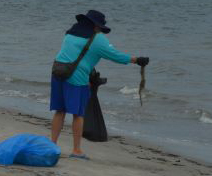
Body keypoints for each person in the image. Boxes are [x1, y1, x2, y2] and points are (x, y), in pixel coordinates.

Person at [49, 9, 148, 159]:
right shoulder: (97, 39)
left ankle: (52, 145)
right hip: (76, 78)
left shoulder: (70, 33)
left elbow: (76, 55)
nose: (100, 30)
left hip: (57, 73)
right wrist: (136, 60)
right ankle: (76, 150)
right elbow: (116, 56)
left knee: (59, 111)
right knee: (78, 114)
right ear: (96, 26)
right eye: (100, 27)